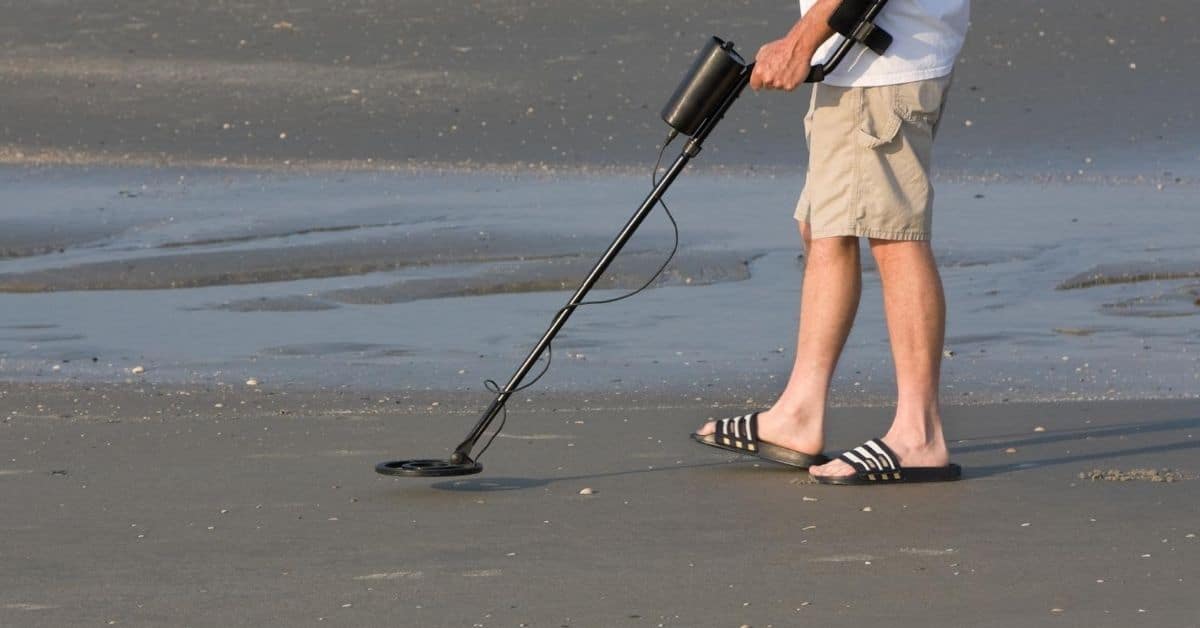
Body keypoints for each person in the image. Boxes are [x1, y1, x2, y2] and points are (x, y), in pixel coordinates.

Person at [692, 0, 970, 484]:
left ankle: (919, 434)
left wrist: (799, 42)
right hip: (858, 56)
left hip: (882, 66)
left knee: (894, 236)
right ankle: (799, 412)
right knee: (826, 226)